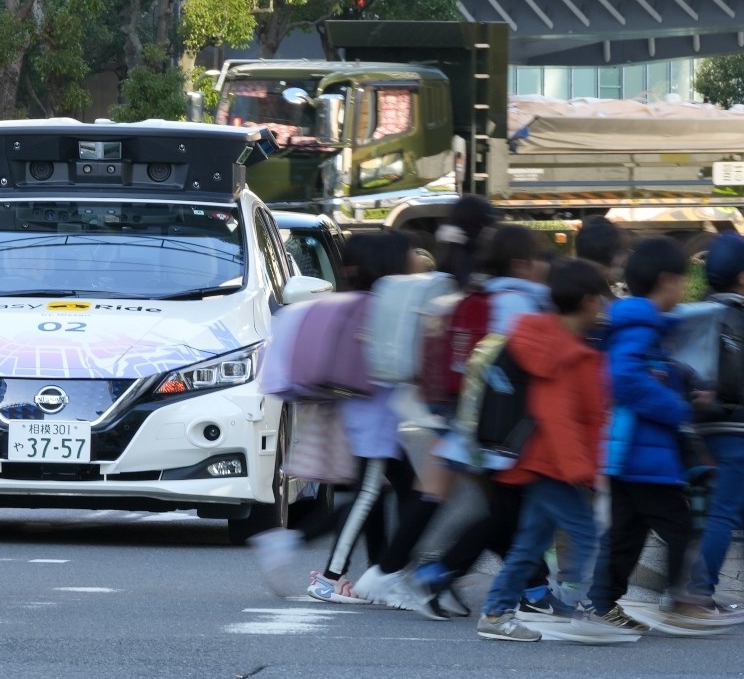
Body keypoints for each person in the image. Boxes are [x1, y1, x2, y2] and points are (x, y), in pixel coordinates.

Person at [368, 223, 556, 619]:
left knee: (504, 512)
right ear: (522, 264)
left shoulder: (478, 295)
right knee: (507, 513)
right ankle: (438, 574)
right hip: (505, 430)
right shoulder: (519, 303)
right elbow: (523, 367)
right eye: (539, 258)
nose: (543, 266)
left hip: (469, 420)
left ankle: (532, 586)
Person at [250, 233, 412, 602]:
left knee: (397, 488)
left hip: (359, 414)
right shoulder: (382, 306)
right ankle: (326, 572)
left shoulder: (352, 302)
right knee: (369, 493)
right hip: (372, 420)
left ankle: (379, 572)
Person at [476, 259, 608, 641]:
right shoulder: (563, 352)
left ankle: (497, 614)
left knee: (530, 542)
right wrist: (583, 471)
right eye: (600, 298)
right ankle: (588, 611)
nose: (603, 306)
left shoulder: (548, 340)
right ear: (586, 301)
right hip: (556, 465)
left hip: (540, 461)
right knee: (586, 534)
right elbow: (558, 416)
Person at [586, 236, 711, 631]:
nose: (683, 290)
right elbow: (624, 378)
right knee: (682, 527)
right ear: (666, 280)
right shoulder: (640, 326)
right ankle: (681, 600)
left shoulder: (645, 325)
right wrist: (677, 407)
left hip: (633, 454)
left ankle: (601, 604)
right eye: (680, 281)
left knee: (627, 534)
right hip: (642, 455)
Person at [688, 233, 744, 608]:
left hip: (693, 428)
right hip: (735, 430)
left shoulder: (692, 313)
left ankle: (687, 587)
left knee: (699, 514)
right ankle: (699, 592)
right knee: (722, 514)